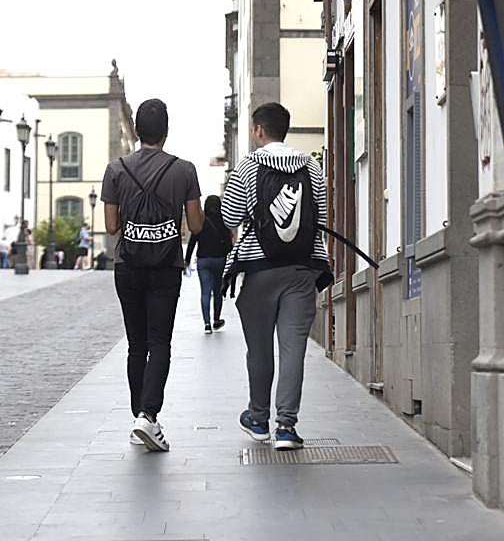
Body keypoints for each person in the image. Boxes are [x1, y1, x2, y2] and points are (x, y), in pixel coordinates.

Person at [222, 102, 332, 452]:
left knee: (259, 349)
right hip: (302, 269)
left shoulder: (248, 165)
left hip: (259, 270)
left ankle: (258, 418)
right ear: (285, 128)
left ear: (258, 130)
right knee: (293, 348)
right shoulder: (312, 166)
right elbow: (323, 217)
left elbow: (229, 217)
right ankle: (287, 426)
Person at [101, 98, 203, 452]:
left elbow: (111, 226)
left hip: (128, 266)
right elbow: (197, 225)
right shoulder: (184, 170)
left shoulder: (116, 170)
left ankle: (139, 417)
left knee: (136, 345)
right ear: (166, 130)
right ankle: (148, 415)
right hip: (165, 268)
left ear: (138, 130)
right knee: (160, 342)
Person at [186, 195, 233, 334]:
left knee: (205, 292)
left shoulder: (201, 221)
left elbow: (192, 241)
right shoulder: (223, 221)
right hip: (219, 260)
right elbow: (229, 245)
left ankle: (207, 324)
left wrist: (187, 260)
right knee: (217, 291)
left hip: (203, 260)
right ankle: (216, 319)